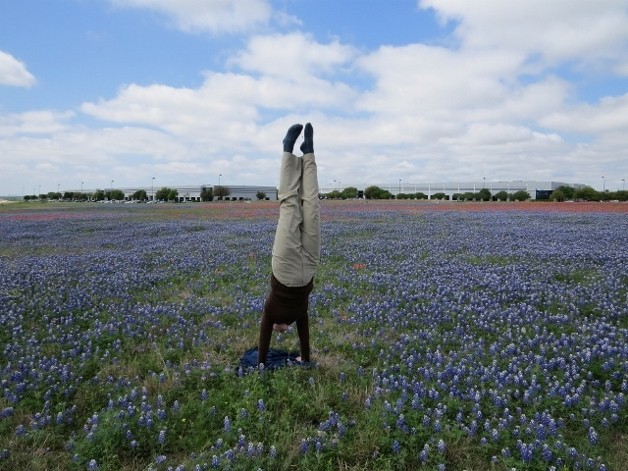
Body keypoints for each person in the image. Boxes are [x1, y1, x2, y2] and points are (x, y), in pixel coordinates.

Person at [257, 123, 320, 366]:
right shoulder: (298, 316)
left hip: (283, 269)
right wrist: (304, 358)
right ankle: (309, 152)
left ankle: (287, 149)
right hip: (309, 267)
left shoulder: (271, 312)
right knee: (312, 206)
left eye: (275, 331)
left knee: (290, 206)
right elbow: (305, 335)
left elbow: (263, 334)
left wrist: (261, 363)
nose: (278, 331)